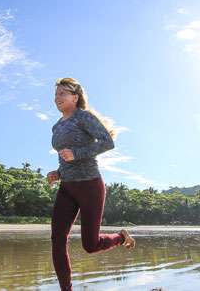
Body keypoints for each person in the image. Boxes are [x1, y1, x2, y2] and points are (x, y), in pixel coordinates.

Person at [47, 77, 135, 291]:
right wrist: (58, 172)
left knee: (91, 245)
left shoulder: (83, 118)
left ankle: (121, 237)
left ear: (75, 97)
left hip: (90, 186)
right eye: (56, 94)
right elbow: (65, 157)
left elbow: (108, 142)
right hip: (67, 187)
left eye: (62, 93)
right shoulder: (56, 127)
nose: (57, 97)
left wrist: (76, 154)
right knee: (57, 239)